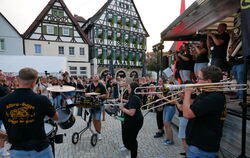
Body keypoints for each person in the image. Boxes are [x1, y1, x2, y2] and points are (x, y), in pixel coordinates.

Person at [0, 67, 59, 158]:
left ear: (17, 79)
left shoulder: (3, 101)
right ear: (35, 82)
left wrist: (5, 136)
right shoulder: (42, 100)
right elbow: (56, 118)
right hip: (41, 149)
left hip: (17, 150)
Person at [182, 66, 226, 158]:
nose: (196, 82)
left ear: (209, 81)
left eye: (199, 78)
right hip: (198, 146)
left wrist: (187, 93)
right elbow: (193, 108)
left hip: (201, 148)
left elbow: (187, 114)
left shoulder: (214, 97)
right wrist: (185, 97)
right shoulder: (207, 93)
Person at [119, 82, 143, 158]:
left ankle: (133, 156)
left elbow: (132, 113)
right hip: (131, 121)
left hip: (135, 121)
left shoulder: (134, 98)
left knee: (132, 139)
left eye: (129, 88)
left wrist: (122, 108)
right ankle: (131, 151)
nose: (127, 89)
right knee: (129, 138)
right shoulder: (132, 97)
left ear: (133, 89)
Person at [86, 74, 108, 140]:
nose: (95, 77)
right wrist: (87, 94)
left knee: (98, 119)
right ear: (92, 78)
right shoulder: (89, 86)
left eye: (97, 76)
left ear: (98, 78)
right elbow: (86, 93)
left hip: (98, 104)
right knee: (94, 120)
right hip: (91, 105)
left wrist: (100, 96)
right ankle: (96, 131)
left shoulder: (101, 85)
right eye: (94, 76)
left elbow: (106, 94)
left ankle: (99, 133)